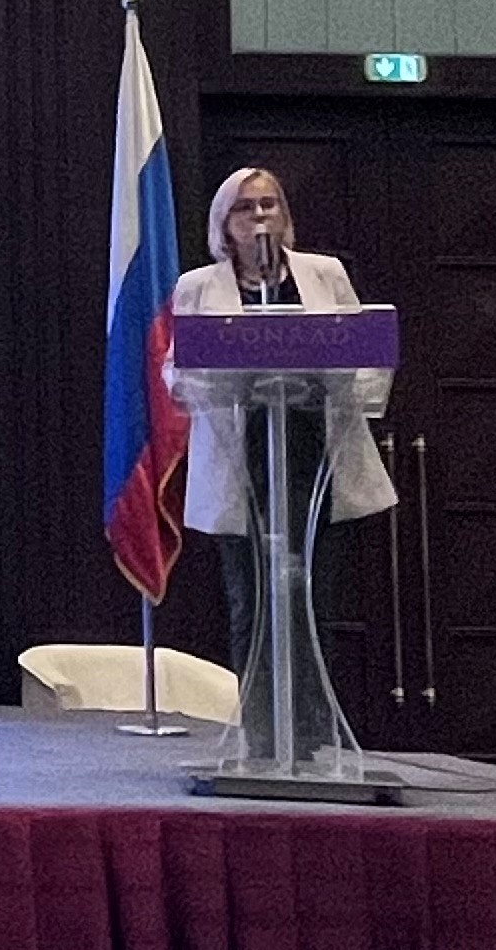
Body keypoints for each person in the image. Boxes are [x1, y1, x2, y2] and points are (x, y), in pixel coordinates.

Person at [165, 165, 397, 663]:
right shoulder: (197, 287)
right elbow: (176, 372)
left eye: (268, 204)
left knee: (314, 603)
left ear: (284, 214)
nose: (259, 216)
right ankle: (256, 715)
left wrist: (341, 381)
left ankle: (311, 714)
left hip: (314, 454)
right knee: (249, 604)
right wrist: (214, 381)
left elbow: (363, 356)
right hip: (241, 458)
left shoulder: (325, 274)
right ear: (224, 223)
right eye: (244, 208)